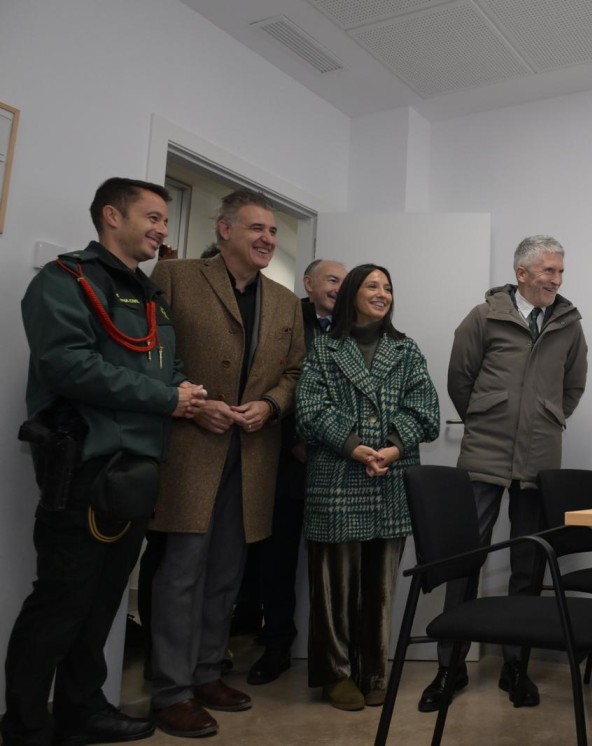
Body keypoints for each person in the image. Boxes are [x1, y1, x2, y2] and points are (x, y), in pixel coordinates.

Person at [2, 178, 206, 746]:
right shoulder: (64, 280)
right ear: (112, 216)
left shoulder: (148, 294)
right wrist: (169, 398)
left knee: (104, 604)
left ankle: (82, 709)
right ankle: (24, 723)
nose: (163, 229)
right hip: (85, 467)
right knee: (61, 602)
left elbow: (168, 365)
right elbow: (68, 366)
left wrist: (189, 392)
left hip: (137, 473)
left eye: (166, 219)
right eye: (154, 217)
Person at [146, 189, 305, 738]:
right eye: (256, 228)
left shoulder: (284, 301)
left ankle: (208, 671)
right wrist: (193, 403)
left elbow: (295, 373)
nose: (267, 239)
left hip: (253, 453)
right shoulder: (175, 278)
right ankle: (169, 691)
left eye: (274, 231)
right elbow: (150, 357)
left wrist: (270, 405)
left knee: (228, 575)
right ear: (225, 230)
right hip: (192, 450)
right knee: (182, 572)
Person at [420, 235, 588, 712]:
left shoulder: (570, 325)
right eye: (548, 272)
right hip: (484, 456)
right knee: (462, 561)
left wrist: (548, 415)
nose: (557, 280)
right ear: (522, 273)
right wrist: (489, 415)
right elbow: (460, 379)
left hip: (540, 459)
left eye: (560, 271)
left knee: (528, 565)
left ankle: (516, 666)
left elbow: (573, 385)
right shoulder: (483, 317)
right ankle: (448, 668)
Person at [296, 263, 440, 710]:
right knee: (333, 585)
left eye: (389, 288)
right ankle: (335, 674)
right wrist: (356, 447)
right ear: (353, 293)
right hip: (338, 477)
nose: (382, 294)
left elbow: (426, 407)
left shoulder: (406, 349)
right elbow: (308, 409)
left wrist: (392, 447)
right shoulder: (324, 348)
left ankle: (374, 670)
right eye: (373, 286)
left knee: (380, 588)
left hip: (391, 477)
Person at [245, 257, 347, 686]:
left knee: (332, 565)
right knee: (278, 559)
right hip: (289, 462)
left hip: (340, 464)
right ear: (308, 283)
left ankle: (336, 653)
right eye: (331, 280)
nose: (339, 289)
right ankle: (277, 645)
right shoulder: (285, 319)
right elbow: (277, 381)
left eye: (345, 282)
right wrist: (295, 442)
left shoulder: (354, 328)